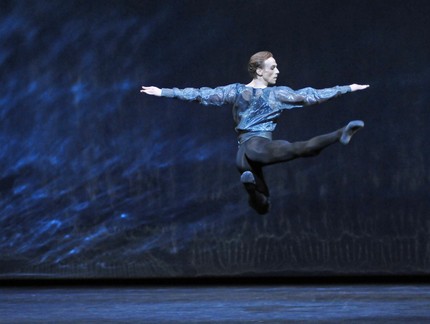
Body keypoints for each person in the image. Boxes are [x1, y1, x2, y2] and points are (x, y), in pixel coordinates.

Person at [140, 51, 369, 214]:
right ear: (259, 71)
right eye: (273, 67)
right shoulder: (278, 94)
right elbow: (312, 95)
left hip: (242, 156)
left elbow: (201, 94)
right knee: (300, 148)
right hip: (258, 146)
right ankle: (339, 134)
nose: (277, 71)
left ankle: (251, 190)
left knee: (263, 204)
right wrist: (347, 88)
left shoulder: (235, 91)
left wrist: (163, 92)